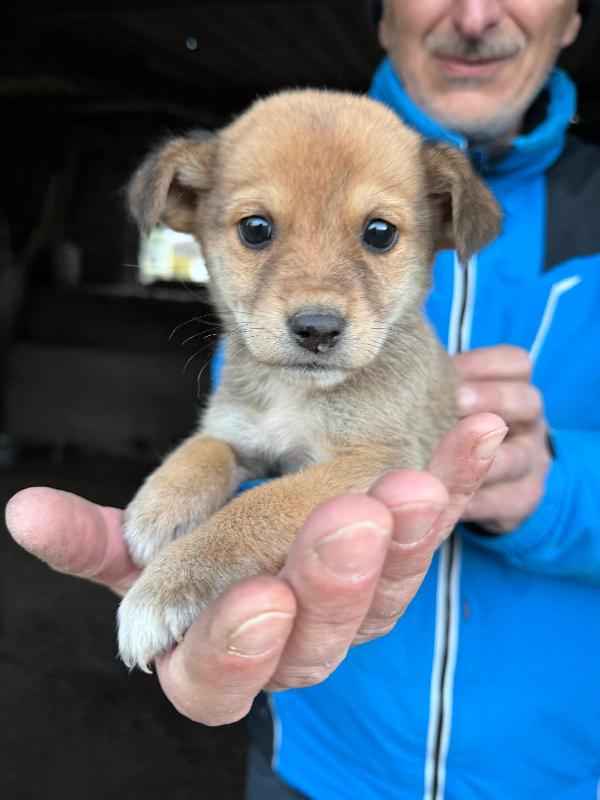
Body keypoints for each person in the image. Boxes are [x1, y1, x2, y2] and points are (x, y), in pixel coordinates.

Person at [5, 0, 600, 797]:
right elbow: (244, 435)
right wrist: (193, 483)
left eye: (379, 234)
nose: (475, 12)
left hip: (557, 768)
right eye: (257, 229)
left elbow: (364, 464)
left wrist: (560, 493)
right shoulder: (270, 160)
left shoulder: (448, 188)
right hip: (313, 756)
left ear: (572, 20)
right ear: (383, 15)